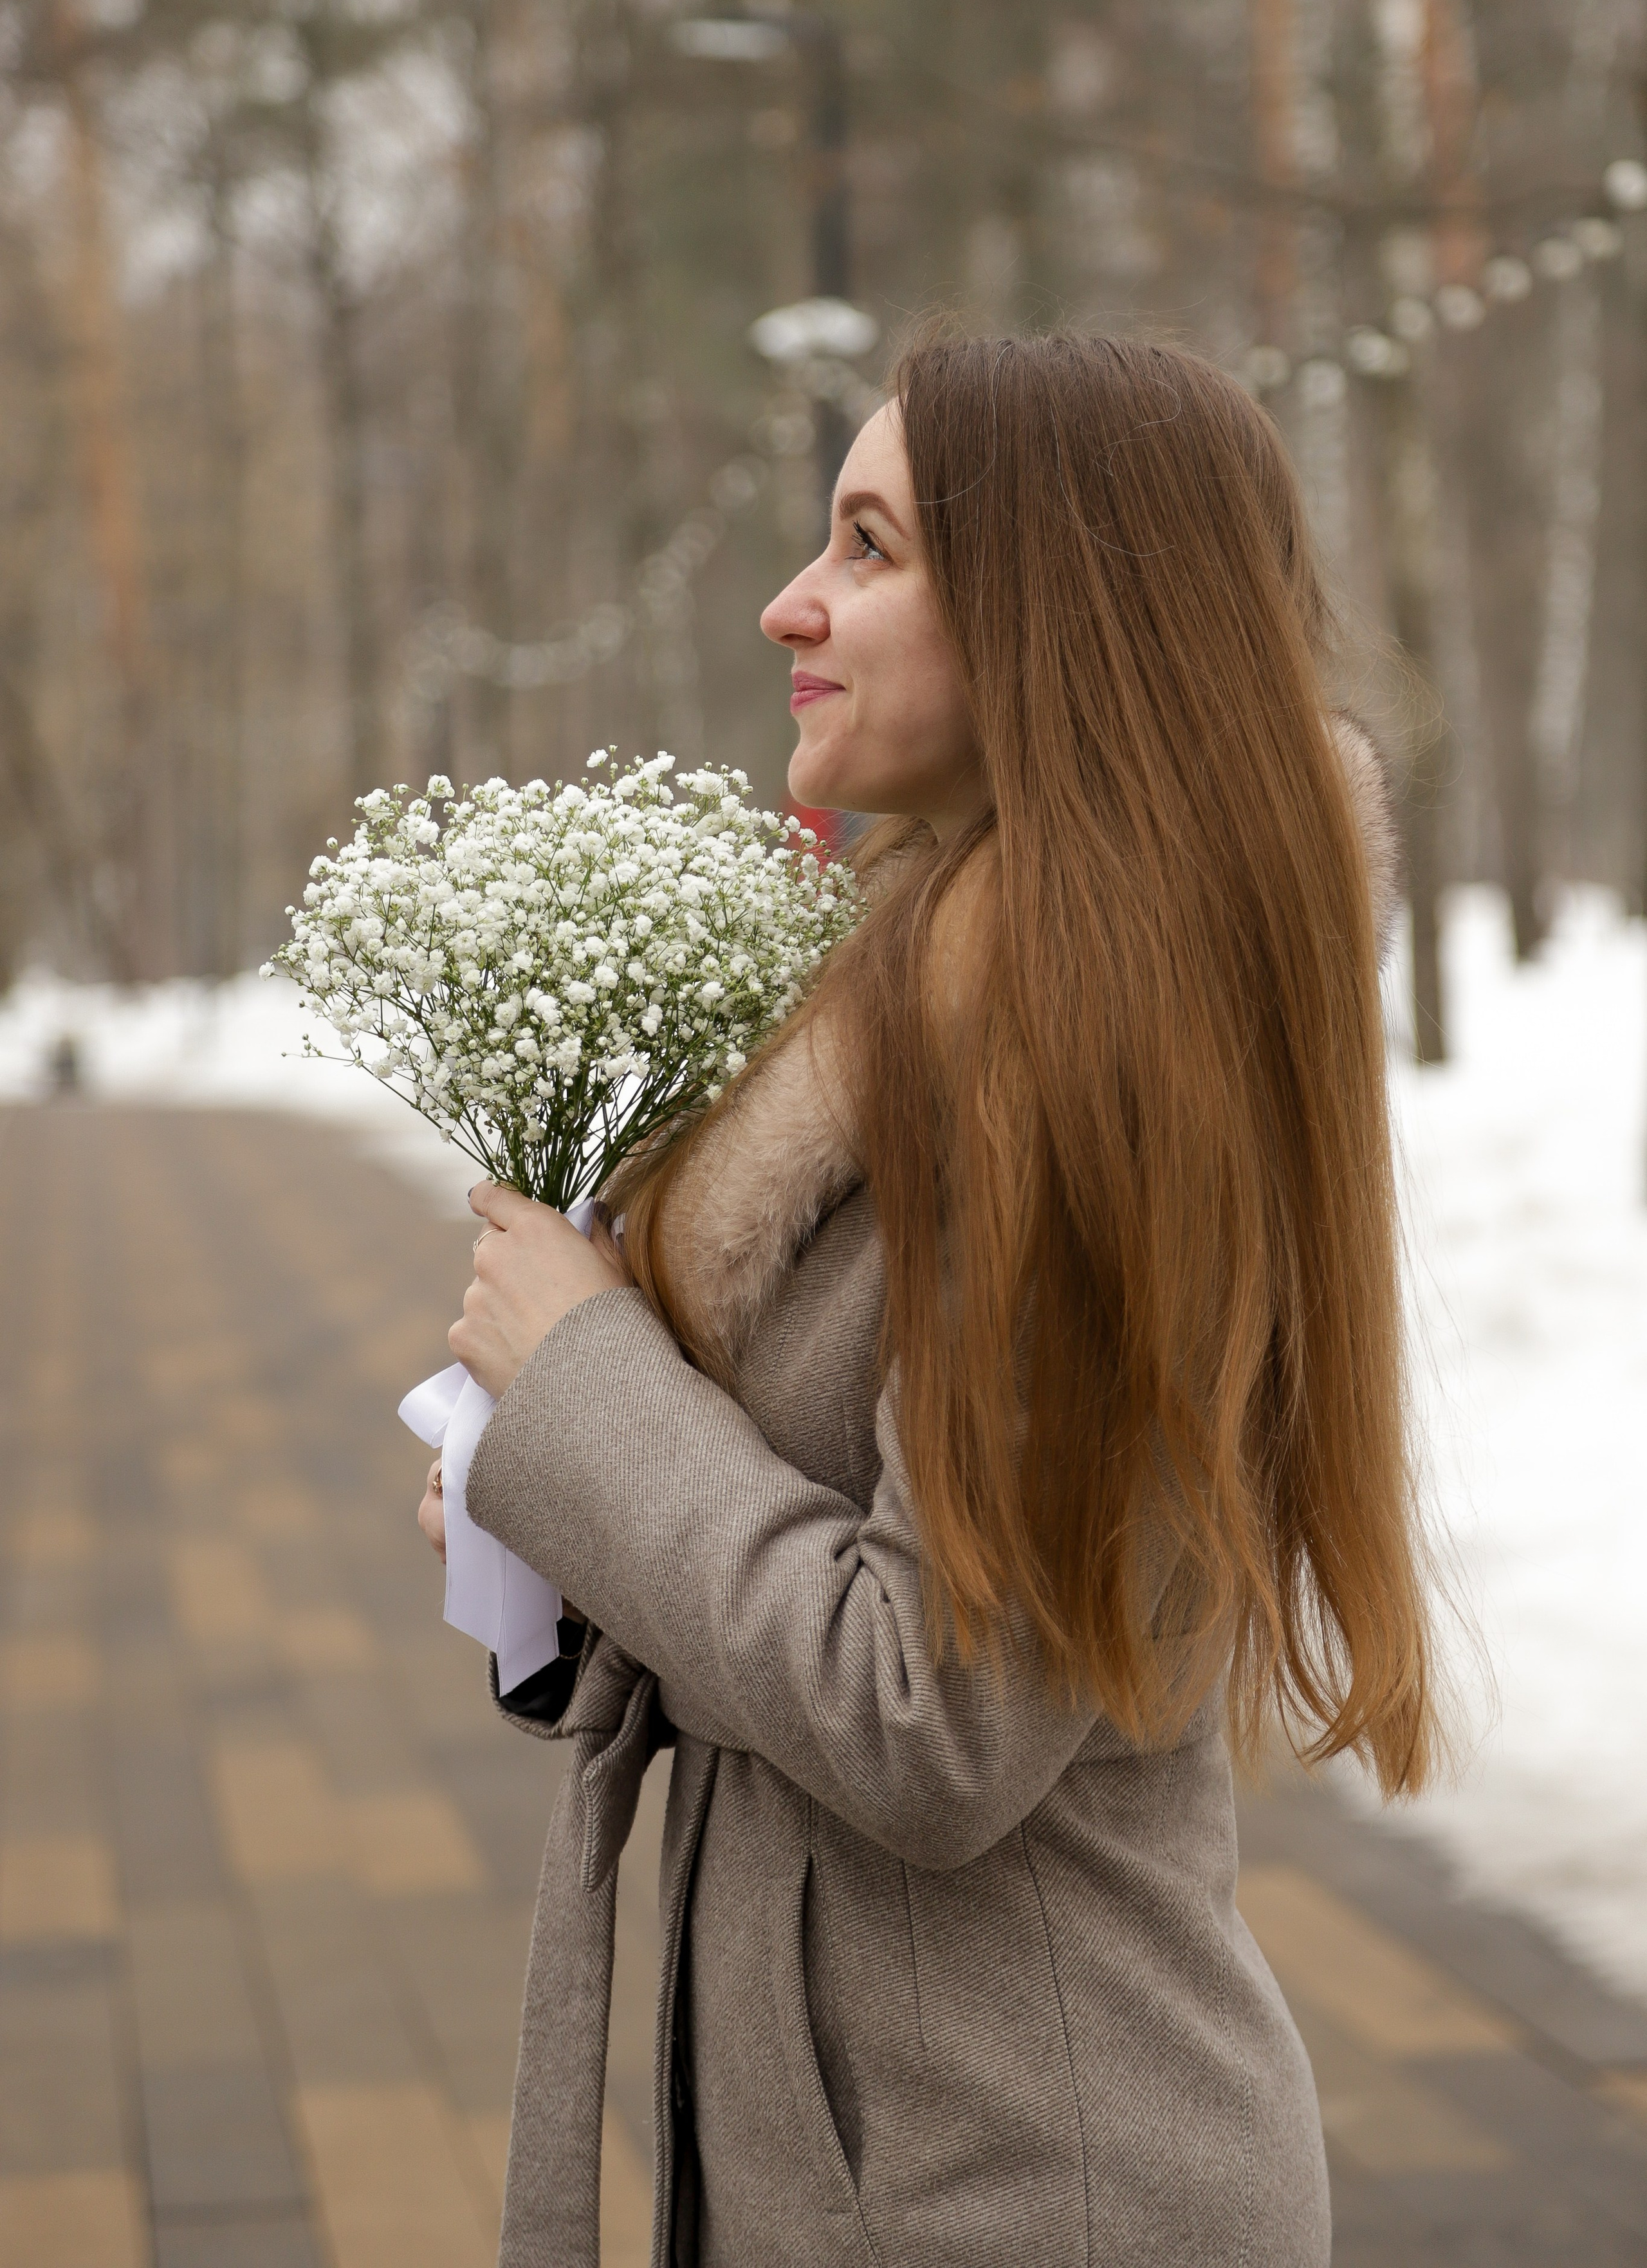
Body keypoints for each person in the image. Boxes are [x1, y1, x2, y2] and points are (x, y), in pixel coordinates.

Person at [418, 330, 1430, 2268]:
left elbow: (929, 1724)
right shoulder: (928, 1017)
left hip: (1029, 2189)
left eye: (870, 546)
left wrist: (586, 1380)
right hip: (886, 2162)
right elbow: (838, 1566)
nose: (789, 603)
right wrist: (558, 1518)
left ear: (1065, 617)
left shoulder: (1105, 1077)